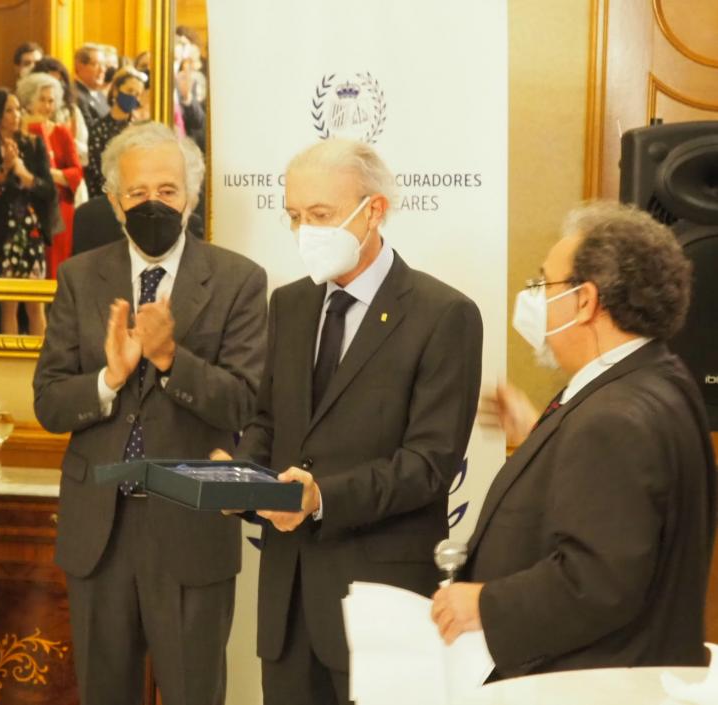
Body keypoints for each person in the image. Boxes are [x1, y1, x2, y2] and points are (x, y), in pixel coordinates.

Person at [227, 138, 483, 705]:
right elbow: (269, 420)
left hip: (381, 604)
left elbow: (429, 465)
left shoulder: (444, 314)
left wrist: (321, 497)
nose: (305, 231)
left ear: (374, 211)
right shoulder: (289, 304)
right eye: (294, 216)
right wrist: (240, 478)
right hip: (289, 601)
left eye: (320, 215)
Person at [32, 121, 267, 705]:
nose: (152, 204)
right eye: (137, 193)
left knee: (194, 693)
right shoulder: (79, 277)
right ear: (114, 201)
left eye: (167, 190)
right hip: (99, 530)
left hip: (191, 525)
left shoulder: (238, 279)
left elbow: (244, 400)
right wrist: (109, 379)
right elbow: (50, 403)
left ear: (191, 195)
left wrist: (168, 359)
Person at [431, 202, 716, 679]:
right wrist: (543, 438)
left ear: (585, 301)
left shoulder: (612, 419)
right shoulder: (657, 377)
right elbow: (620, 502)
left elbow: (597, 583)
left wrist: (483, 603)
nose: (536, 301)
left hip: (593, 681)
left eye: (544, 284)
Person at [0, 88, 56, 335]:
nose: (16, 115)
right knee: (8, 305)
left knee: (35, 304)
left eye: (18, 109)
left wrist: (25, 175)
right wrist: (5, 168)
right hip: (2, 232)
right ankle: (9, 357)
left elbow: (48, 190)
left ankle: (41, 356)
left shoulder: (33, 143)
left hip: (30, 230)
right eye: (9, 110)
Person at [16, 72, 83, 280]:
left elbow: (77, 172)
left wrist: (48, 174)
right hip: (30, 206)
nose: (47, 106)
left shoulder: (61, 132)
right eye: (42, 100)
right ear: (28, 101)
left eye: (51, 101)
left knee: (58, 267)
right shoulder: (20, 133)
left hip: (61, 207)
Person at [84, 66, 147, 197]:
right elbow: (97, 171)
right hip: (107, 195)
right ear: (115, 91)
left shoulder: (140, 129)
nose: (133, 97)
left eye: (137, 94)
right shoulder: (99, 128)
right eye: (129, 91)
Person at [32, 56, 91, 173]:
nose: (55, 88)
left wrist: (65, 142)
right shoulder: (27, 112)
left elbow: (83, 153)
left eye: (59, 82)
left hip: (65, 171)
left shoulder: (72, 111)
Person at [73, 43, 110, 128]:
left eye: (104, 65)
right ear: (79, 66)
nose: (102, 70)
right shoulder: (75, 95)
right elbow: (90, 129)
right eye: (96, 64)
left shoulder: (101, 94)